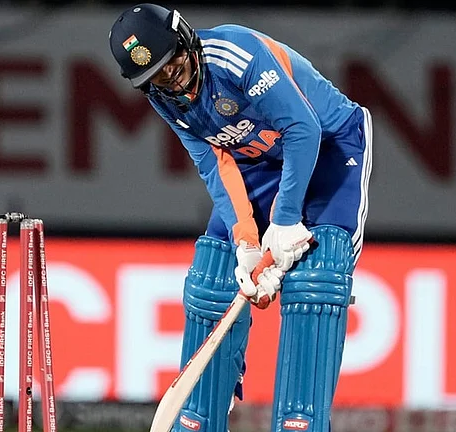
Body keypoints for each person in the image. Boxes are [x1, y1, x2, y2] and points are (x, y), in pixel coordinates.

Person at [109, 4, 372, 432]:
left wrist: (284, 221)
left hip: (329, 142)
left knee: (316, 282)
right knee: (213, 278)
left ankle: (299, 422)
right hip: (259, 161)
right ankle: (199, 417)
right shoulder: (163, 96)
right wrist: (247, 242)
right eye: (157, 75)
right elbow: (214, 164)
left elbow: (302, 128)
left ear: (185, 39)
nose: (172, 78)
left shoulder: (236, 54)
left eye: (173, 62)